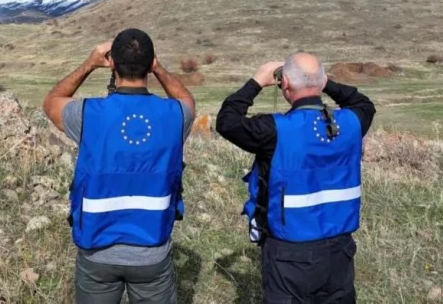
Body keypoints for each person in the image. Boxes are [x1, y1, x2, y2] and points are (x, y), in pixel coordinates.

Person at [43, 28, 196, 304]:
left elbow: (51, 102)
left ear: (112, 63)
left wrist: (90, 63)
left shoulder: (88, 114)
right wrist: (159, 68)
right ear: (150, 64)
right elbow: (187, 101)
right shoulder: (176, 116)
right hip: (152, 250)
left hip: (96, 250)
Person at [215, 52, 376, 303]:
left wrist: (257, 81)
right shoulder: (352, 123)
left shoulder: (276, 130)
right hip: (340, 251)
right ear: (321, 82)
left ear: (285, 84)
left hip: (290, 253)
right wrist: (322, 81)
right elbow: (363, 103)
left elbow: (227, 122)